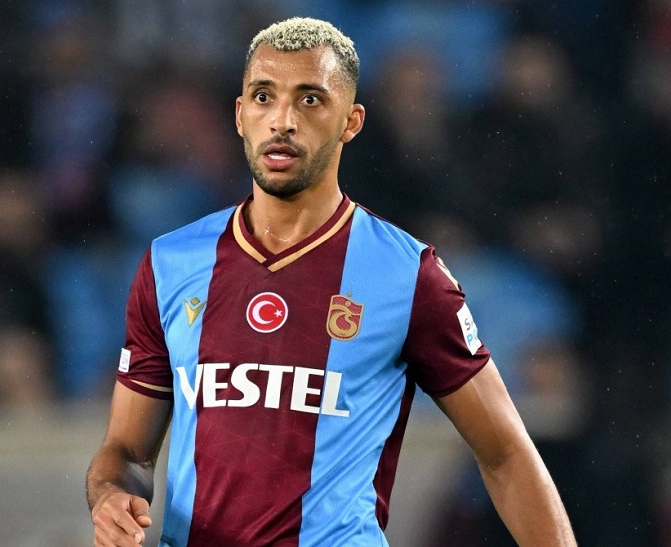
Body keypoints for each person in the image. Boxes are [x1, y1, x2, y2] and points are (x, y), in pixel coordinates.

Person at [86, 17, 575, 547]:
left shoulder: (407, 275)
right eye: (264, 97)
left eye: (310, 100)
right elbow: (127, 454)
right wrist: (111, 494)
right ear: (240, 114)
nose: (282, 121)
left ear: (351, 121)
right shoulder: (170, 264)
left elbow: (505, 454)